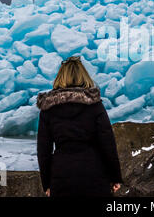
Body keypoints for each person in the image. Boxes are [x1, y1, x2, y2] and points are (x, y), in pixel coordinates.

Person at [36, 56, 123, 197]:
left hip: (61, 175)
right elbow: (108, 143)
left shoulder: (48, 108)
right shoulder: (94, 105)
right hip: (95, 174)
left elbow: (43, 151)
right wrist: (115, 177)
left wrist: (47, 183)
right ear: (84, 77)